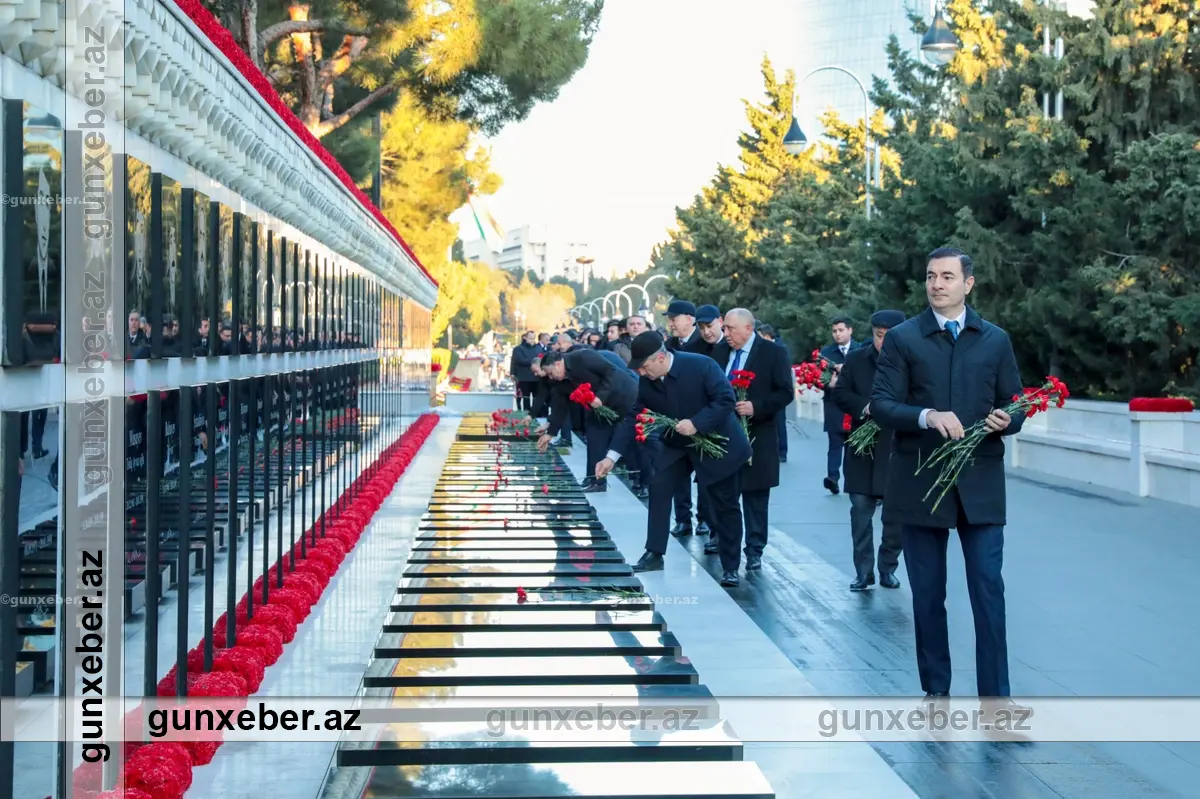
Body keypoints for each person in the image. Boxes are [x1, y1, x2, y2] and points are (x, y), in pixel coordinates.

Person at [870, 247, 1026, 715]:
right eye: (930, 276)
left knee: (987, 589)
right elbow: (881, 405)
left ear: (968, 284)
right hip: (920, 482)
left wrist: (1007, 418)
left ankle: (996, 699)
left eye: (947, 276)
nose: (937, 284)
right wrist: (926, 415)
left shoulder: (995, 339)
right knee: (928, 593)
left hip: (980, 485)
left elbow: (1016, 401)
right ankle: (936, 690)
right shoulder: (902, 338)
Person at [597, 331, 751, 585]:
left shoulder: (700, 365)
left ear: (660, 357)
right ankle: (654, 553)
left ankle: (731, 566)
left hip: (718, 442)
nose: (643, 374)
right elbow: (634, 416)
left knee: (725, 504)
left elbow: (725, 400)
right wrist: (611, 457)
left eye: (645, 367)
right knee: (658, 486)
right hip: (678, 443)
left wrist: (697, 423)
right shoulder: (648, 380)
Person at [710, 309, 793, 570]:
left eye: (730, 329)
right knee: (724, 494)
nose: (726, 335)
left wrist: (756, 407)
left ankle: (755, 548)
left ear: (748, 328)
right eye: (724, 330)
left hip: (758, 434)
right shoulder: (721, 352)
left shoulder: (773, 353)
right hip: (724, 435)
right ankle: (724, 540)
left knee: (756, 496)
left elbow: (785, 392)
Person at [833, 310, 905, 591]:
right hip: (863, 448)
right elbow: (841, 394)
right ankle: (863, 572)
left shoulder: (913, 361)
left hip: (897, 446)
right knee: (860, 511)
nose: (883, 343)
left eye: (890, 338)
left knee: (895, 515)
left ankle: (888, 567)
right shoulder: (856, 359)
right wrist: (865, 407)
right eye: (878, 336)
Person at [538, 347, 638, 492]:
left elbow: (611, 371)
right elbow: (560, 406)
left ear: (558, 364)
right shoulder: (560, 381)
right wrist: (550, 433)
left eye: (551, 373)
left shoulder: (583, 356)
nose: (551, 377)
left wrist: (600, 398)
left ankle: (640, 481)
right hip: (596, 406)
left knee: (628, 440)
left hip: (622, 397)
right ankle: (596, 480)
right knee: (594, 436)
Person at [663, 300, 709, 537]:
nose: (670, 323)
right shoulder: (668, 345)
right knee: (679, 473)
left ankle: (704, 518)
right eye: (669, 319)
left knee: (703, 473)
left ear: (690, 319)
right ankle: (683, 518)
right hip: (675, 418)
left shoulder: (703, 343)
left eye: (674, 318)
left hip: (700, 418)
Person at [820, 316, 859, 494]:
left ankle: (852, 480)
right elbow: (817, 379)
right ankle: (832, 478)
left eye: (841, 330)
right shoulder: (826, 353)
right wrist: (829, 384)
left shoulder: (861, 350)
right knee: (835, 443)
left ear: (850, 330)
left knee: (854, 446)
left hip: (855, 406)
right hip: (834, 405)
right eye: (834, 331)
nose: (837, 334)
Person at [756, 324, 791, 463]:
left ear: (767, 336)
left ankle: (782, 450)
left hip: (778, 391)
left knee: (780, 422)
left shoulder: (779, 350)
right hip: (768, 394)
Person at [510, 330, 540, 411]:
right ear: (525, 338)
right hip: (523, 377)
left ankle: (535, 412)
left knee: (536, 397)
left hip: (536, 378)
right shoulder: (518, 349)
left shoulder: (538, 348)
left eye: (534, 338)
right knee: (524, 397)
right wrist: (512, 373)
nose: (532, 341)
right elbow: (517, 360)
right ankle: (524, 412)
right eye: (530, 338)